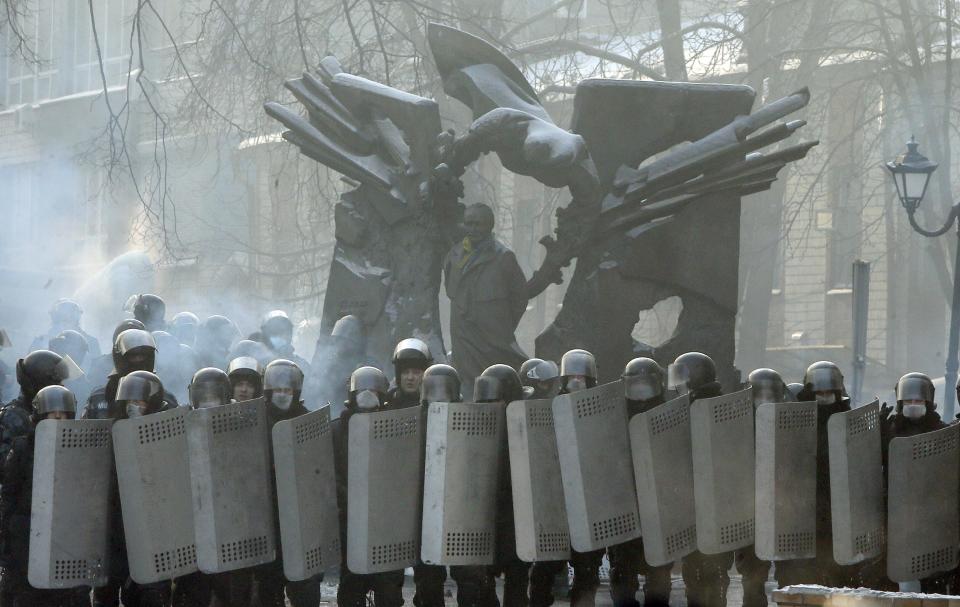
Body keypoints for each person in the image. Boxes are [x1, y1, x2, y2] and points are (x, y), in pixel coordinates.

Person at [0, 385, 89, 607]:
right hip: (27, 536)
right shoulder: (22, 448)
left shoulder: (81, 448)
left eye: (63, 414)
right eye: (52, 413)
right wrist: (8, 544)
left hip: (67, 536)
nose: (58, 418)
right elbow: (9, 497)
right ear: (40, 415)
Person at [530, 349, 605, 607]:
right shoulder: (549, 411)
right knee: (544, 571)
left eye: (581, 378)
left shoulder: (600, 412)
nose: (576, 382)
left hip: (589, 506)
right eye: (571, 377)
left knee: (587, 574)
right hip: (557, 506)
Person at [862, 373, 949, 592]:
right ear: (900, 403)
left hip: (929, 512)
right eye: (908, 401)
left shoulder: (940, 430)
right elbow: (874, 461)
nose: (913, 405)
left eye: (918, 401)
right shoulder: (892, 429)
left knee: (933, 575)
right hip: (895, 510)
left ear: (928, 402)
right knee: (884, 569)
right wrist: (878, 432)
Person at [419, 364, 496, 607]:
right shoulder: (414, 424)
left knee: (470, 577)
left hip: (463, 512)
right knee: (429, 578)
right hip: (425, 514)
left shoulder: (471, 423)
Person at [96, 371, 174, 607]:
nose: (134, 408)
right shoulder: (110, 435)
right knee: (105, 594)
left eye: (140, 402)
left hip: (153, 532)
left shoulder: (167, 436)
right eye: (130, 402)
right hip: (115, 530)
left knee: (149, 594)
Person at [777, 361, 856, 588]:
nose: (824, 397)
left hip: (836, 513)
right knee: (798, 580)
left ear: (838, 393)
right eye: (819, 393)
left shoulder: (849, 422)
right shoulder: (791, 421)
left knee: (835, 579)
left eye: (829, 393)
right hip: (799, 512)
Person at [333, 366, 405, 607]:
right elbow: (330, 473)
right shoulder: (338, 430)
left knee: (388, 584)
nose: (367, 395)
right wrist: (350, 498)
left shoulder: (397, 428)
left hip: (387, 518)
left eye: (373, 390)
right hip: (350, 517)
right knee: (352, 580)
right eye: (362, 390)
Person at [606, 358, 673, 607]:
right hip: (624, 502)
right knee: (623, 569)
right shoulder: (613, 416)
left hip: (658, 505)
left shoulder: (669, 414)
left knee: (658, 569)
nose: (641, 391)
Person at [253, 359, 320, 607]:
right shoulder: (255, 420)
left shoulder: (308, 421)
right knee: (268, 586)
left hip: (298, 516)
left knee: (304, 586)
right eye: (278, 390)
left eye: (288, 390)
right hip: (265, 515)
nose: (283, 396)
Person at [443, 203, 528, 392]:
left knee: (495, 385)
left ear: (489, 226)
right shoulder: (454, 256)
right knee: (467, 388)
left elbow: (520, 299)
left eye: (477, 224)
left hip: (492, 341)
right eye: (468, 224)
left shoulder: (504, 257)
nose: (472, 229)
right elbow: (451, 291)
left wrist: (501, 325)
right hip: (463, 339)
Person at [672, 352, 734, 607]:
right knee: (713, 572)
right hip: (708, 502)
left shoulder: (713, 408)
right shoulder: (724, 406)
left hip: (708, 500)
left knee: (703, 572)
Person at [734, 368, 788, 607]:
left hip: (786, 508)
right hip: (751, 511)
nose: (765, 402)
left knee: (791, 575)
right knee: (753, 577)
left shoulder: (791, 422)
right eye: (760, 396)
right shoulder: (737, 424)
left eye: (770, 396)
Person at [478, 364, 529, 607]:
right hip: (485, 517)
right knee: (481, 582)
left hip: (516, 518)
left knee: (517, 580)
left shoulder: (526, 429)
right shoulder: (472, 429)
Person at [0, 350, 77, 467]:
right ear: (42, 383)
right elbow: (7, 469)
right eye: (58, 383)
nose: (62, 387)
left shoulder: (50, 413)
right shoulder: (14, 418)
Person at [29, 298, 101, 358]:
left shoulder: (91, 342)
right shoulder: (41, 341)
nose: (65, 323)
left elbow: (97, 370)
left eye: (69, 319)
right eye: (62, 319)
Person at [388, 338, 433, 409]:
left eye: (416, 372)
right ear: (398, 375)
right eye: (405, 372)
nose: (410, 377)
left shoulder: (434, 402)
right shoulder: (388, 401)